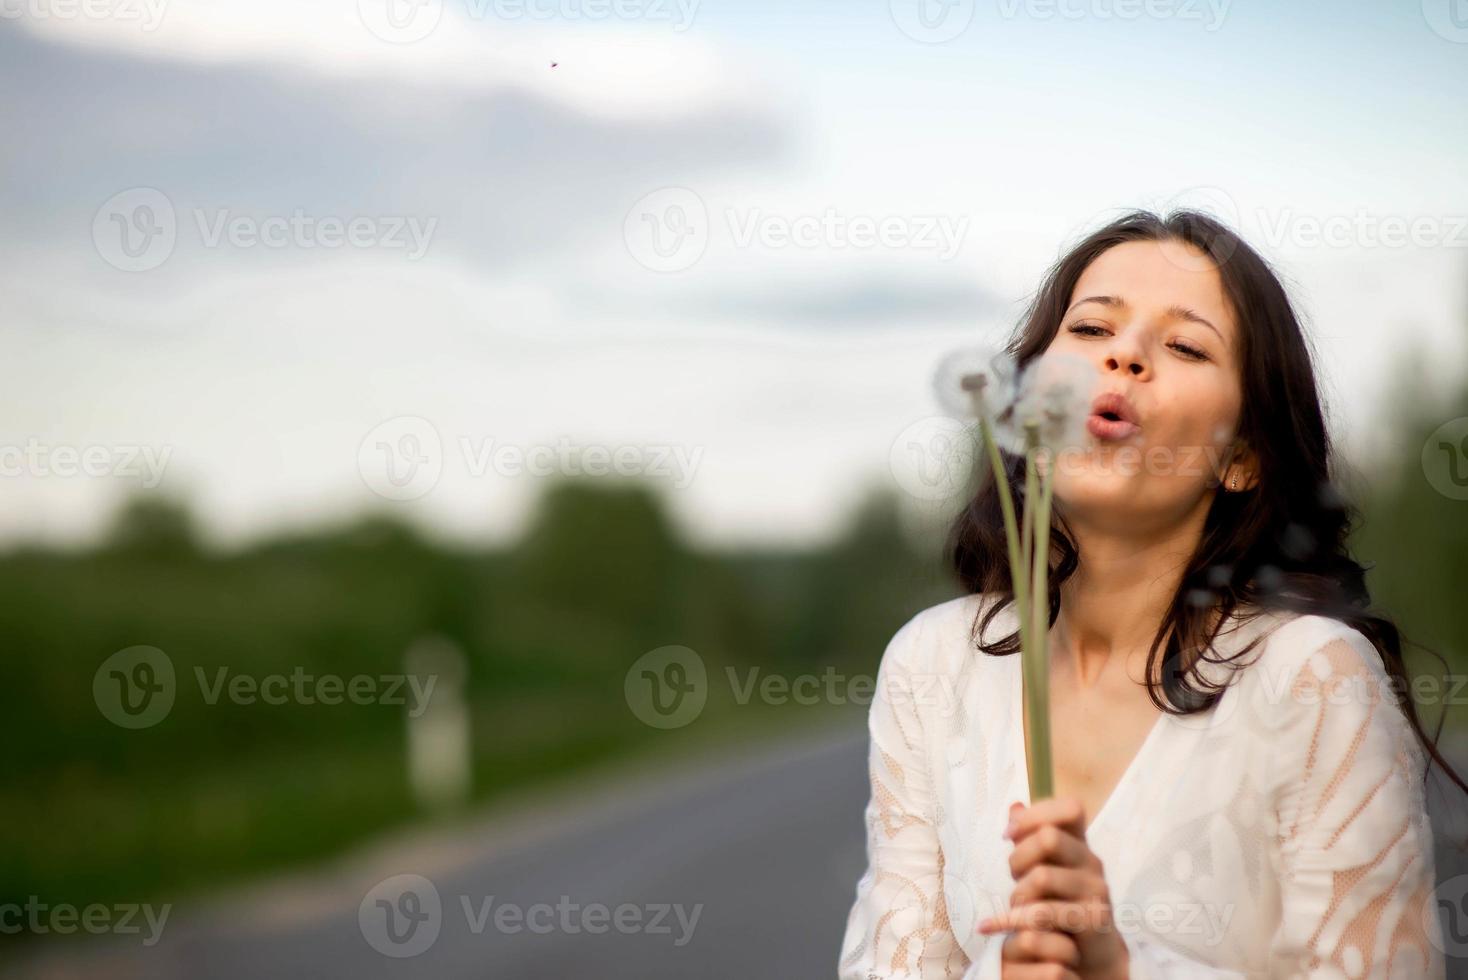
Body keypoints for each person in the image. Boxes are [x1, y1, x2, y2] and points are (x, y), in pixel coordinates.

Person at [838, 210, 1461, 979]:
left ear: (1243, 458)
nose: (1125, 356)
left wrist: (1122, 971)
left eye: (1184, 345)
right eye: (1093, 331)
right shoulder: (933, 663)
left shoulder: (1316, 678)